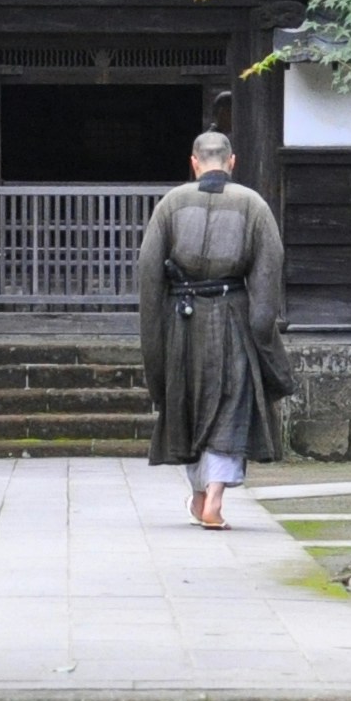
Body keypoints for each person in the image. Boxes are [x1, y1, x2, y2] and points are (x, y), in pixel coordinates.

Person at [138, 129, 291, 530]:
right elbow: (268, 272)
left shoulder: (171, 204)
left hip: (180, 320)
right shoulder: (253, 205)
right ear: (232, 162)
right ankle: (215, 500)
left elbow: (149, 275)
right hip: (233, 317)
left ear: (193, 162)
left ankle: (200, 494)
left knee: (186, 404)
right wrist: (263, 334)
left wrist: (153, 338)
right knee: (230, 404)